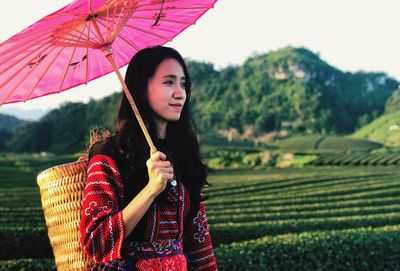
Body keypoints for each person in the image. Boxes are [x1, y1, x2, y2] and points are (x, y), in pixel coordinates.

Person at [79, 46, 218, 271]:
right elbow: (96, 243)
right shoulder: (110, 154)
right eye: (169, 82)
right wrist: (151, 189)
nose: (180, 93)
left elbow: (199, 243)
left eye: (183, 84)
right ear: (141, 87)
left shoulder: (184, 154)